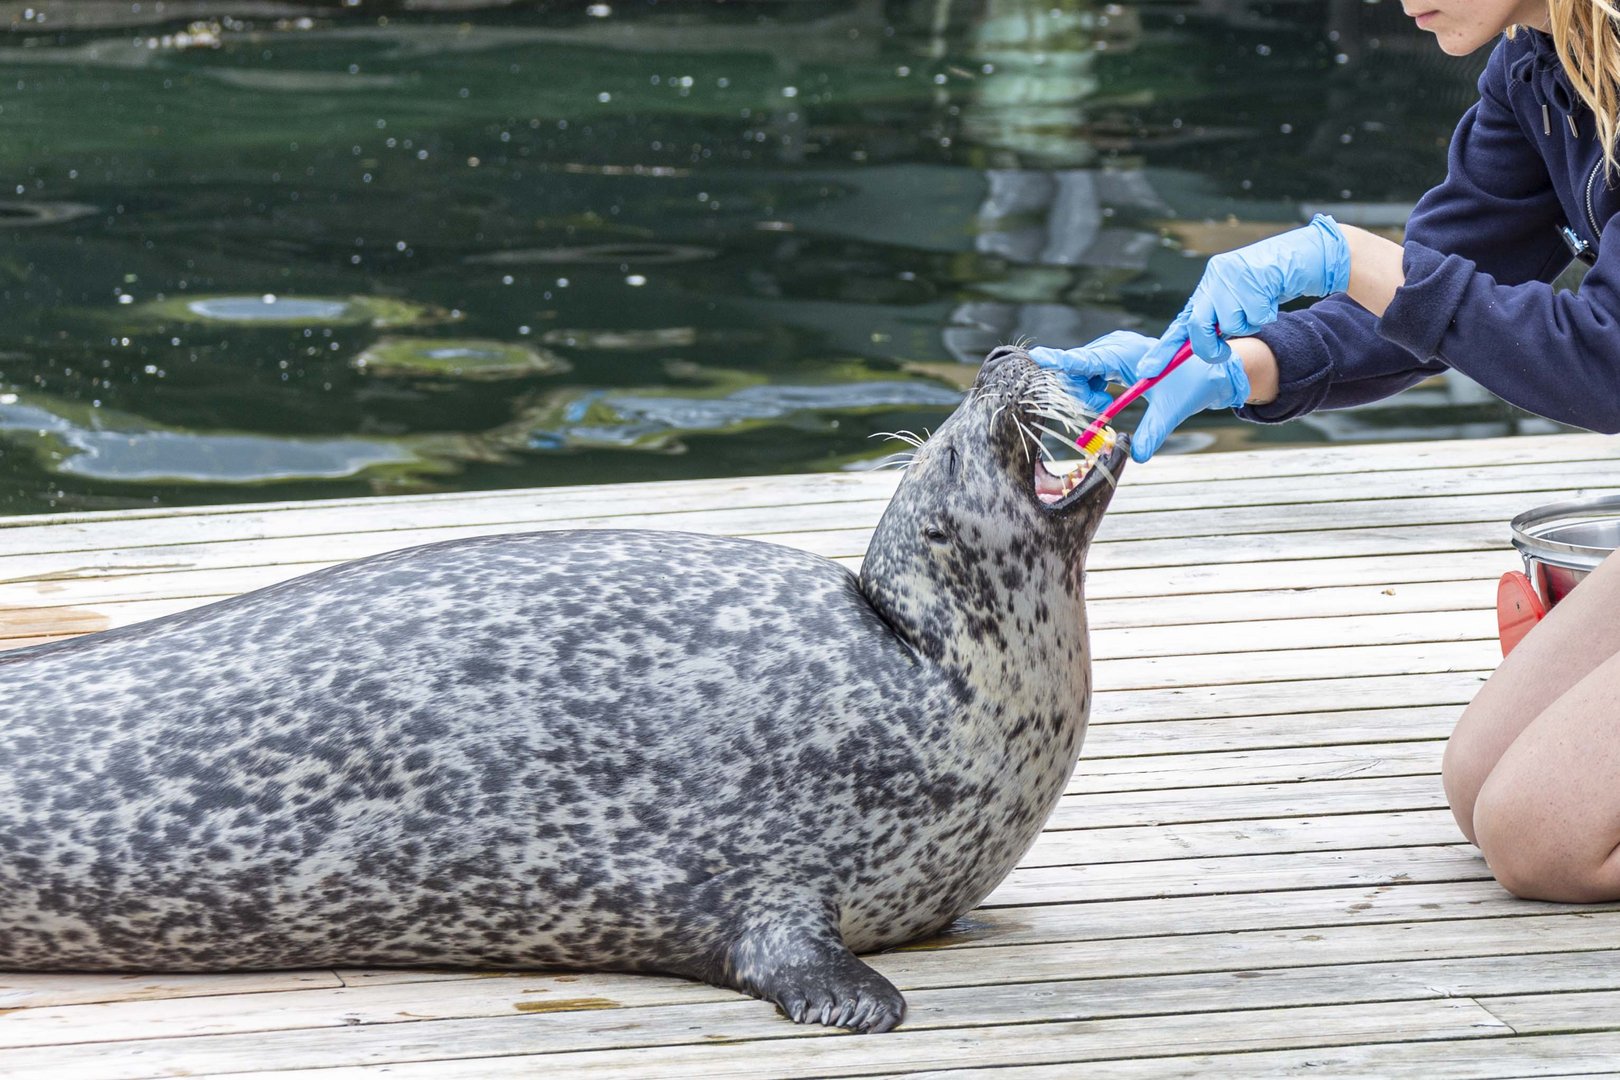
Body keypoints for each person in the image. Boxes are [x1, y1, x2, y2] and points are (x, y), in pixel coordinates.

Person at [1030, 0, 1620, 903]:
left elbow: (1606, 360)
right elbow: (1426, 306)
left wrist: (1349, 257)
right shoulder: (1537, 66)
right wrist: (1233, 371)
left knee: (1542, 838)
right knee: (1479, 783)